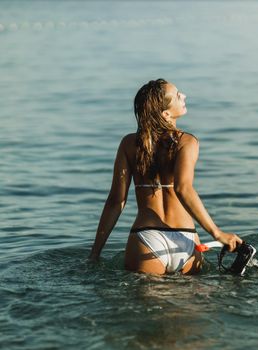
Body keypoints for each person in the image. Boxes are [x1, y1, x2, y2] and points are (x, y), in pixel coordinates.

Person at [89, 79, 242, 274]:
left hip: (146, 238)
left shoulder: (129, 144)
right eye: (178, 95)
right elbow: (183, 188)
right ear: (166, 114)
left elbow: (116, 201)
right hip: (186, 239)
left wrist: (95, 253)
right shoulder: (186, 141)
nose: (183, 96)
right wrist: (217, 233)